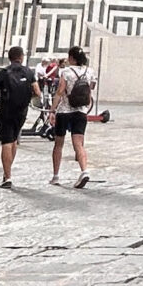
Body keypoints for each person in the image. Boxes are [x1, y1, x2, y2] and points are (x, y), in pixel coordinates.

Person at [0, 45, 37, 188]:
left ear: (9, 58)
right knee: (14, 140)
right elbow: (37, 92)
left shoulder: (2, 73)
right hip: (21, 112)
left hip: (6, 111)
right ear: (21, 57)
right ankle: (7, 172)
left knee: (6, 142)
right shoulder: (29, 72)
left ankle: (7, 176)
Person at [51, 45, 96, 188]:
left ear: (71, 58)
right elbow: (91, 88)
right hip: (81, 111)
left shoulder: (66, 71)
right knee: (79, 144)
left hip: (64, 111)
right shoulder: (90, 71)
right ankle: (84, 171)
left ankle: (56, 176)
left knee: (59, 144)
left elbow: (60, 91)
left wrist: (52, 110)